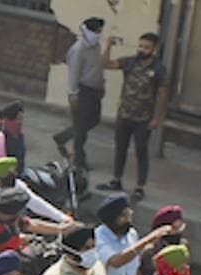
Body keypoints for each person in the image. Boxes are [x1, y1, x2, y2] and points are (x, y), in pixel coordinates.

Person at [96, 32, 168, 199]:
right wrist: (108, 46)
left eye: (146, 47)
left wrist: (157, 118)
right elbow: (106, 64)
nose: (142, 50)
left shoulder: (159, 69)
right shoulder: (130, 62)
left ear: (154, 49)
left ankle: (139, 186)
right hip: (125, 114)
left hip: (143, 118)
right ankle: (116, 179)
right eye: (140, 46)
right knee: (120, 148)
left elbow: (163, 94)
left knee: (141, 151)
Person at [54, 17, 106, 170]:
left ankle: (63, 136)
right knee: (81, 128)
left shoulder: (96, 47)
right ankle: (79, 160)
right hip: (83, 91)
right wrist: (73, 94)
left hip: (95, 90)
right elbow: (73, 74)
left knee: (93, 120)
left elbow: (97, 67)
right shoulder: (78, 50)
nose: (98, 34)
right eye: (96, 31)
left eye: (100, 31)